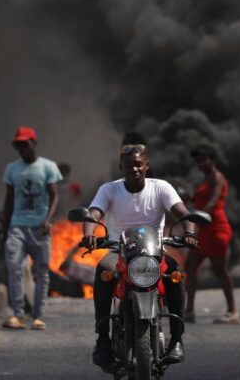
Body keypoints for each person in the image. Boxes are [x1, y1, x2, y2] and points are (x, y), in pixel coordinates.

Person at [85, 138, 198, 370]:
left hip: (154, 253)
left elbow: (183, 213)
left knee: (176, 273)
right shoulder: (109, 189)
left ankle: (177, 339)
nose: (134, 169)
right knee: (103, 271)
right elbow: (94, 213)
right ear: (121, 167)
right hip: (119, 252)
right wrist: (88, 233)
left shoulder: (161, 187)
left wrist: (190, 232)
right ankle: (103, 338)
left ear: (146, 165)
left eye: (138, 164)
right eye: (129, 165)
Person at [1, 126, 62, 330]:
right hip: (17, 225)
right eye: (18, 145)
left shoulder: (48, 167)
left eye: (25, 144)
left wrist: (48, 219)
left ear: (34, 144)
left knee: (42, 272)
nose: (22, 149)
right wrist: (4, 228)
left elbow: (54, 196)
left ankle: (38, 316)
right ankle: (17, 314)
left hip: (40, 227)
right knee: (14, 267)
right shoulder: (12, 169)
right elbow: (9, 200)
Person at [184, 145, 238, 324]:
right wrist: (191, 200)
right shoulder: (207, 178)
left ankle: (232, 312)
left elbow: (214, 201)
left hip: (216, 229)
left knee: (220, 270)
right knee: (190, 267)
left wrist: (198, 215)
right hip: (204, 229)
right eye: (198, 160)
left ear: (212, 160)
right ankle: (189, 311)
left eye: (204, 159)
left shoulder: (217, 177)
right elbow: (203, 199)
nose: (200, 163)